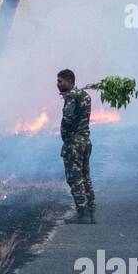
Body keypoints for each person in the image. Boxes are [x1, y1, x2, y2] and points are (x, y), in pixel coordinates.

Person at [57, 69, 95, 223]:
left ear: (70, 81)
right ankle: (91, 211)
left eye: (61, 81)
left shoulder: (72, 97)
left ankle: (82, 213)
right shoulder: (85, 96)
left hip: (74, 143)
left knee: (75, 178)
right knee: (85, 177)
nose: (57, 84)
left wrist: (65, 137)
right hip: (85, 142)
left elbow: (67, 119)